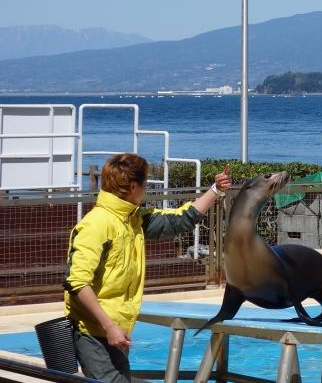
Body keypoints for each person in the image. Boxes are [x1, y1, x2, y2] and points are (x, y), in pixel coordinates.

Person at [63, 153, 233, 382]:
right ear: (133, 186)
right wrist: (109, 326)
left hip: (116, 331)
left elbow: (180, 219)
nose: (146, 189)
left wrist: (215, 190)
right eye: (145, 183)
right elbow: (77, 282)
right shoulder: (97, 224)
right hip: (94, 332)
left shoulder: (133, 220)